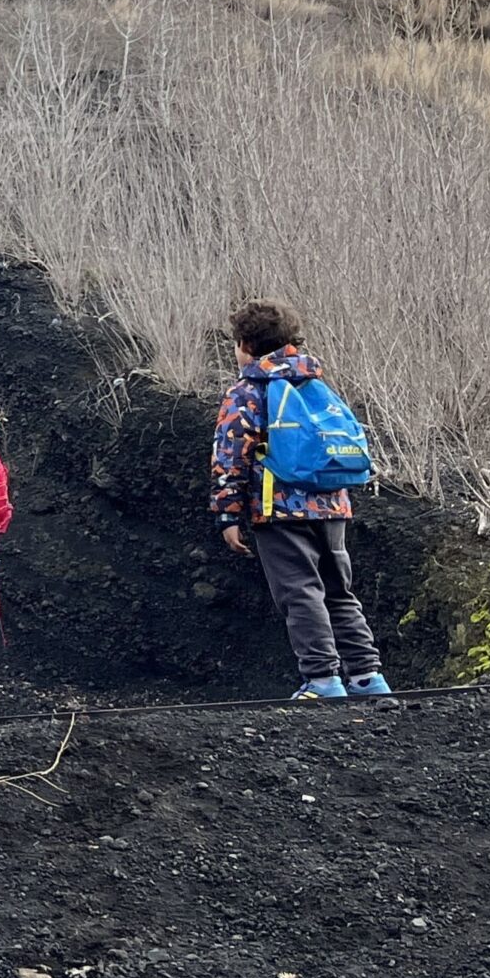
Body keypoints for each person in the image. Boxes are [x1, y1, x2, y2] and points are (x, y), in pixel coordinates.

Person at [210, 299, 392, 702]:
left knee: (300, 592)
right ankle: (368, 677)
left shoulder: (248, 391)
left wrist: (228, 515)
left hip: (279, 510)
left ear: (245, 345)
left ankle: (322, 680)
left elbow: (230, 456)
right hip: (332, 505)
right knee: (338, 592)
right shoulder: (315, 384)